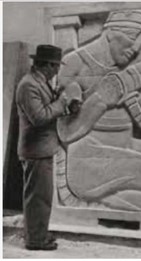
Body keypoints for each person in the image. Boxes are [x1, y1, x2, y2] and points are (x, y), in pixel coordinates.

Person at [56, 10, 141, 213]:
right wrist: (99, 100)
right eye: (132, 37)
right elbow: (65, 132)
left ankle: (117, 200)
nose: (136, 48)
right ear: (109, 31)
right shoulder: (75, 63)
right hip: (89, 159)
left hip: (126, 145)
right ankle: (109, 204)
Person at [16, 45, 77, 250]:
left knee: (40, 197)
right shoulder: (28, 85)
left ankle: (37, 234)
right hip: (36, 150)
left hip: (42, 148)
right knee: (38, 198)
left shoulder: (40, 82)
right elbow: (40, 117)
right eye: (56, 66)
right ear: (48, 65)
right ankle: (35, 240)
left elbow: (49, 111)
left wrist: (67, 108)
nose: (58, 70)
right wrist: (60, 103)